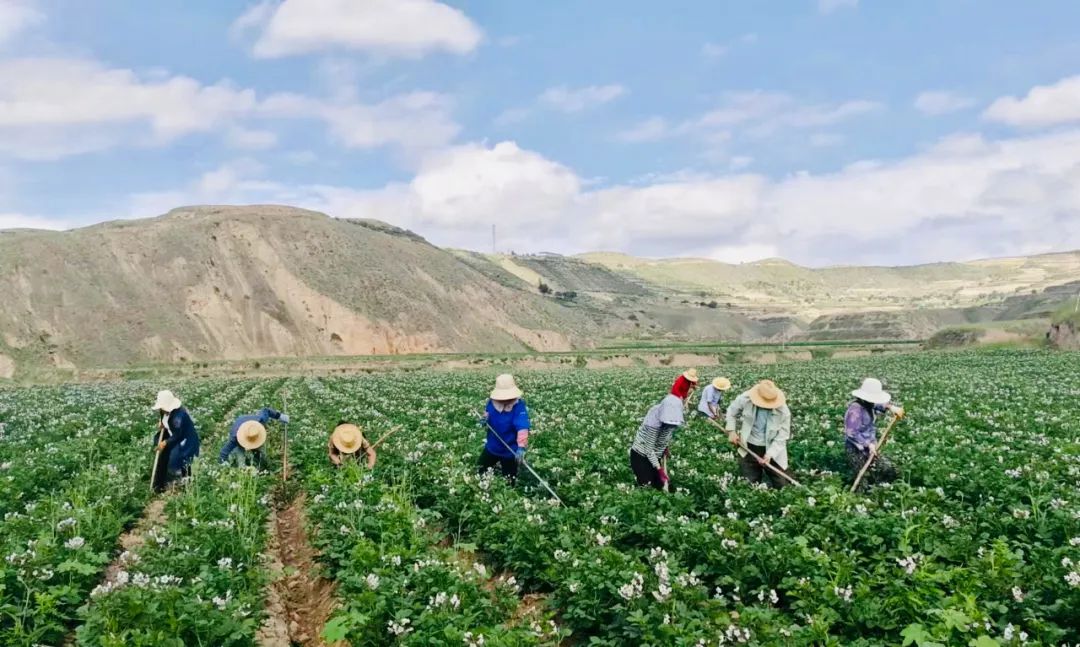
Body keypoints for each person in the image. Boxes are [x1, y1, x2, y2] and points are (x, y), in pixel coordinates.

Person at [724, 380, 793, 489]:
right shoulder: (745, 398)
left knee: (781, 483)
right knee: (749, 482)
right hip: (749, 445)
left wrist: (770, 454)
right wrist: (731, 431)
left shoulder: (783, 411)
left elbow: (783, 436)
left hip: (772, 447)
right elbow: (731, 412)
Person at [845, 378, 905, 490]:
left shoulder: (868, 404)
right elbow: (851, 433)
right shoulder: (855, 409)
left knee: (889, 469)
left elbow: (878, 405)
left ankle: (880, 490)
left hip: (870, 447)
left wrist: (891, 407)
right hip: (856, 449)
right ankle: (861, 499)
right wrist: (868, 444)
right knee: (863, 480)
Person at [477, 374, 531, 483]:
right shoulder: (491, 403)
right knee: (480, 470)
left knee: (509, 479)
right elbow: (487, 413)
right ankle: (483, 489)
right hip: (493, 446)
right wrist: (484, 419)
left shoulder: (518, 406)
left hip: (510, 450)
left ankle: (507, 496)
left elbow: (522, 427)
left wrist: (521, 447)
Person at [630, 393, 684, 490]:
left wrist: (665, 447)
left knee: (660, 486)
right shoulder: (653, 423)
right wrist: (659, 469)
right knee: (647, 487)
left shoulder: (672, 418)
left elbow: (666, 434)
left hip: (655, 455)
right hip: (641, 455)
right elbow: (649, 450)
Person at [151, 390, 200, 492]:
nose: (161, 409)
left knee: (180, 461)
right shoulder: (164, 411)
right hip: (172, 435)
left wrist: (165, 443)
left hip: (185, 439)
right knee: (163, 457)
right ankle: (159, 485)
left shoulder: (179, 416)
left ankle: (184, 485)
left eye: (162, 407)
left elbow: (178, 435)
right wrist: (162, 423)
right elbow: (165, 419)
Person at [219, 408, 288, 468]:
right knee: (240, 458)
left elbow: (266, 410)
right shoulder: (235, 438)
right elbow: (223, 452)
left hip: (249, 421)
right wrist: (223, 463)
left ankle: (261, 464)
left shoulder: (261, 420)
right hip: (238, 426)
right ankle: (243, 469)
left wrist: (280, 416)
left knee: (257, 451)